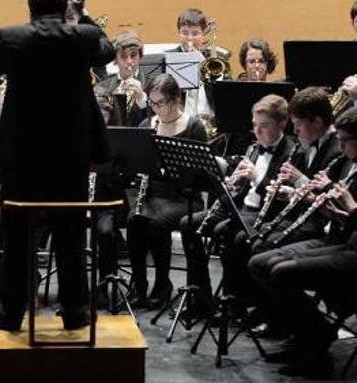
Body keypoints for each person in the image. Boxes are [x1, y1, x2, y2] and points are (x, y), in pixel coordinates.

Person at [0, 0, 114, 331]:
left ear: (30, 8)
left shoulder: (12, 37)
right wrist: (81, 14)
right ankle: (76, 310)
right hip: (72, 155)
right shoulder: (80, 36)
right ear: (63, 8)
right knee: (69, 233)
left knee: (18, 234)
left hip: (24, 157)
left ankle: (10, 313)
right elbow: (107, 50)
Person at [246, 107, 357, 378]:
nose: (340, 147)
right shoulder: (347, 162)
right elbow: (344, 218)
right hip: (340, 238)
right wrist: (329, 207)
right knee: (260, 262)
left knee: (282, 271)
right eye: (339, 141)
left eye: (345, 141)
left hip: (352, 252)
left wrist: (351, 207)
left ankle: (315, 344)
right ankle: (306, 333)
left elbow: (353, 214)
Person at [179, 94, 295, 316]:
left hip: (266, 214)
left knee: (228, 232)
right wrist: (231, 184)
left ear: (282, 124)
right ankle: (201, 297)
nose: (257, 131)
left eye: (264, 126)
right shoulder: (253, 148)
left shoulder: (290, 151)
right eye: (254, 125)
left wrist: (255, 178)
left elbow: (280, 196)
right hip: (241, 208)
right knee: (188, 223)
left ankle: (235, 300)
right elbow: (240, 191)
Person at [127, 73, 208, 310]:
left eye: (159, 103)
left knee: (156, 224)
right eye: (151, 102)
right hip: (155, 196)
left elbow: (203, 175)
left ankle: (163, 285)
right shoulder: (147, 126)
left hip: (186, 198)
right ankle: (139, 285)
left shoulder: (193, 126)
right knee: (134, 220)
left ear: (175, 99)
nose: (155, 108)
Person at [93, 30, 149, 127]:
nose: (129, 61)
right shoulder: (102, 88)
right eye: (123, 56)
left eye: (133, 55)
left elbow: (156, 121)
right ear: (115, 60)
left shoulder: (151, 84)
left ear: (140, 56)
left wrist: (141, 99)